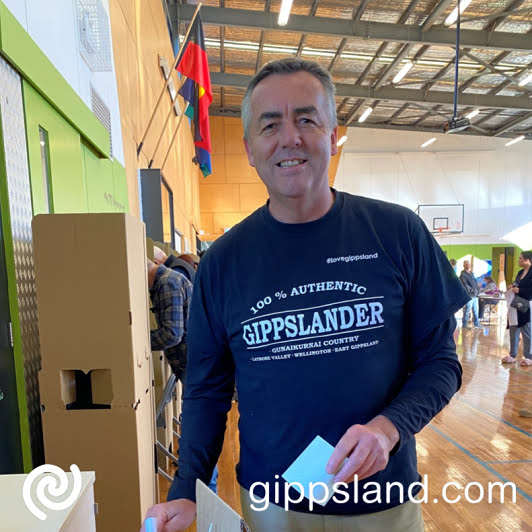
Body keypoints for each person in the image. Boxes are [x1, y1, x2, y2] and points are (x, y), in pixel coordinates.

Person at [141, 58, 469, 532]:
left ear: (334, 134)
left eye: (307, 119)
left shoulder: (398, 234)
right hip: (273, 506)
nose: (289, 137)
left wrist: (387, 428)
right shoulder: (223, 263)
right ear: (251, 148)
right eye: (270, 124)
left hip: (383, 503)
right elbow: (206, 389)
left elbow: (442, 362)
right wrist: (188, 487)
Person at [501, 251, 532, 366]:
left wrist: (520, 291)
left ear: (527, 260)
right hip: (515, 304)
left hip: (526, 304)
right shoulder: (520, 272)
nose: (518, 260)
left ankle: (529, 356)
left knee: (526, 330)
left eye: (520, 258)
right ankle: (512, 354)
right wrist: (512, 287)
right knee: (513, 329)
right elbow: (516, 284)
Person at [459, 260, 482, 329]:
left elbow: (475, 282)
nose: (468, 265)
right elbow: (465, 285)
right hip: (469, 295)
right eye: (466, 264)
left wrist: (477, 287)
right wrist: (472, 290)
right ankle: (464, 324)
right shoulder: (463, 275)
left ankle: (476, 324)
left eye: (468, 264)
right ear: (464, 266)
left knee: (476, 310)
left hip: (475, 295)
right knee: (467, 310)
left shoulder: (471, 273)